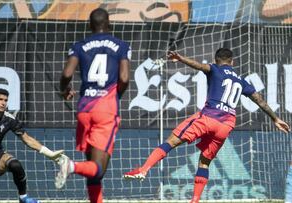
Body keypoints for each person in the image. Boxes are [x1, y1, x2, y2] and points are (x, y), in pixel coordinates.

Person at [123, 48, 290, 203]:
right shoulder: (241, 80)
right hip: (227, 125)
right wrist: (275, 119)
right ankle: (195, 200)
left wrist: (180, 58)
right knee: (204, 162)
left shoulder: (215, 69)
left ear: (216, 60)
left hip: (209, 117)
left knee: (171, 142)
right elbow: (258, 98)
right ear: (232, 62)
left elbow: (200, 66)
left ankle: (143, 169)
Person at [56, 8, 131, 203]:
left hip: (84, 109)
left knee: (93, 169)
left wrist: (65, 91)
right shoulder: (121, 45)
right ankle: (71, 166)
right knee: (99, 169)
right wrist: (115, 95)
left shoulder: (80, 45)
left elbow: (66, 75)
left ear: (90, 25)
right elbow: (124, 77)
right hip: (105, 109)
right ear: (109, 24)